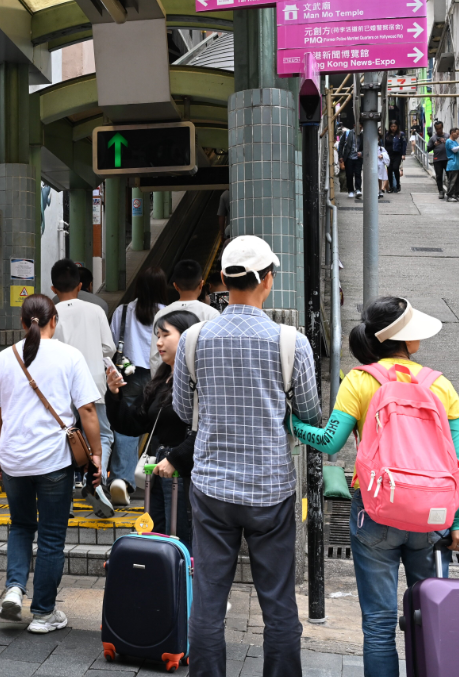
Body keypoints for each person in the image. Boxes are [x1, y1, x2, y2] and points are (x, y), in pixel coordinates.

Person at [291, 297, 459, 677]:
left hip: (375, 509)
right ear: (409, 341)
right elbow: (457, 464)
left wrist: (290, 422)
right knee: (432, 618)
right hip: (432, 516)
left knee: (378, 624)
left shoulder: (360, 380)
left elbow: (329, 441)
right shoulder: (441, 386)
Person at [172, 235, 322, 677]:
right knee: (278, 604)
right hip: (270, 488)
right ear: (268, 281)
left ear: (222, 279)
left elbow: (183, 410)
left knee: (209, 601)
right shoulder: (291, 342)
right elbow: (311, 414)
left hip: (212, 485)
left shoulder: (194, 338)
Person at [0, 294, 104, 633]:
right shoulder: (70, 356)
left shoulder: (5, 358)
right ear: (54, 321)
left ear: (23, 323)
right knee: (51, 537)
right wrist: (96, 454)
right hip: (53, 463)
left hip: (14, 463)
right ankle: (44, 613)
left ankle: (14, 588)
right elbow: (88, 411)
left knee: (20, 526)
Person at [105, 309, 199, 544]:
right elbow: (132, 424)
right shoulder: (162, 379)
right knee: (158, 538)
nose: (158, 342)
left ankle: (184, 581)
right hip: (158, 471)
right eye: (157, 335)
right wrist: (115, 393)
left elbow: (208, 429)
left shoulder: (201, 379)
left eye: (165, 335)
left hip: (187, 474)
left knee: (181, 537)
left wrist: (176, 458)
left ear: (187, 337)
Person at [50, 258, 116, 515]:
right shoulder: (95, 311)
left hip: (61, 388)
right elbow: (108, 348)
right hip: (93, 385)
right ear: (81, 285)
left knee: (64, 438)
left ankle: (64, 498)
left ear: (53, 289)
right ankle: (96, 482)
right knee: (103, 436)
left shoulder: (51, 314)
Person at [105, 266, 167, 505]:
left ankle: (122, 478)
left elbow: (111, 346)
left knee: (126, 428)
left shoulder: (122, 311)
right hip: (159, 375)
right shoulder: (167, 313)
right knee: (159, 427)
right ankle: (155, 478)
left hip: (129, 374)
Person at [147, 259, 220, 374]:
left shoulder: (162, 314)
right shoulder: (212, 314)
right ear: (201, 284)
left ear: (175, 286)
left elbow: (155, 356)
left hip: (168, 382)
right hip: (199, 382)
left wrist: (159, 383)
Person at [427, 121, 449, 199]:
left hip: (447, 159)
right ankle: (441, 191)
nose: (438, 130)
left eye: (440, 128)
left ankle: (450, 192)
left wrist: (446, 142)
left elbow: (452, 145)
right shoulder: (433, 138)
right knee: (439, 176)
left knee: (449, 175)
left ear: (442, 127)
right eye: (437, 129)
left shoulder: (447, 136)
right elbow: (427, 149)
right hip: (437, 160)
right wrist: (434, 145)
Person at [444, 127, 459, 202]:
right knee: (452, 181)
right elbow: (455, 150)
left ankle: (457, 195)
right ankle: (450, 195)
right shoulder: (449, 141)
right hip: (453, 165)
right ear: (452, 133)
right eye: (457, 134)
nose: (458, 135)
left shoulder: (455, 142)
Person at [341, 124, 363, 199]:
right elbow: (341, 145)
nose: (359, 129)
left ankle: (358, 189)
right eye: (358, 127)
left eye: (360, 128)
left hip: (358, 158)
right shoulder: (347, 133)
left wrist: (362, 153)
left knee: (358, 174)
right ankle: (350, 190)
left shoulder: (363, 135)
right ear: (354, 126)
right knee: (349, 175)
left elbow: (366, 146)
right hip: (349, 157)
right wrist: (341, 156)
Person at [385, 121, 405, 193]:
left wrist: (403, 154)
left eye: (394, 126)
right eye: (391, 127)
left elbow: (403, 144)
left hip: (397, 154)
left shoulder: (401, 134)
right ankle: (391, 186)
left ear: (397, 127)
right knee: (389, 170)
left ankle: (398, 184)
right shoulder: (387, 135)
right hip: (389, 154)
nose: (393, 128)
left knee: (395, 168)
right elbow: (385, 144)